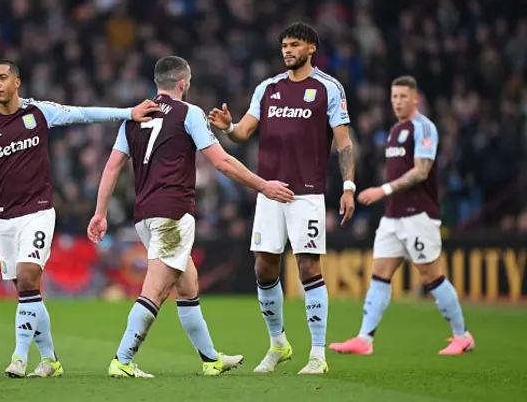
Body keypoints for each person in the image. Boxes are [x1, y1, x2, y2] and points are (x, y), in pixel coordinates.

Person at [87, 55, 295, 378]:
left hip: (144, 215)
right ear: (183, 83)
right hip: (172, 213)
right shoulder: (189, 113)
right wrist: (262, 185)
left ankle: (211, 359)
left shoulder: (134, 116)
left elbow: (112, 165)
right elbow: (222, 162)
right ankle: (122, 360)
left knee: (187, 286)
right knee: (155, 291)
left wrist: (100, 213)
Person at [0, 59, 158, 378]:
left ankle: (18, 358)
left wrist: (127, 113)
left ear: (17, 83)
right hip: (3, 218)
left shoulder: (38, 112)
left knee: (27, 278)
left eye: (2, 78)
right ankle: (50, 359)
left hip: (38, 212)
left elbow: (82, 113)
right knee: (26, 292)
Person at [208, 22, 356, 374]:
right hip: (269, 191)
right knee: (263, 267)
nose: (288, 50)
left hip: (306, 193)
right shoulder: (267, 88)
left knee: (308, 267)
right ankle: (278, 344)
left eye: (295, 45)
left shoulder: (328, 89)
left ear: (310, 49)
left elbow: (344, 143)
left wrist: (349, 186)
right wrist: (228, 126)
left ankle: (318, 354)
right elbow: (244, 132)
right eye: (284, 45)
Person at [329, 75, 474, 355]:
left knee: (432, 277)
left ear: (415, 98)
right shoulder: (395, 131)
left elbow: (421, 171)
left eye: (403, 97)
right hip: (393, 216)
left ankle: (462, 335)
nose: (397, 102)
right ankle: (364, 339)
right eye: (394, 97)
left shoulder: (424, 128)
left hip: (418, 215)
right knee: (379, 275)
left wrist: (382, 190)